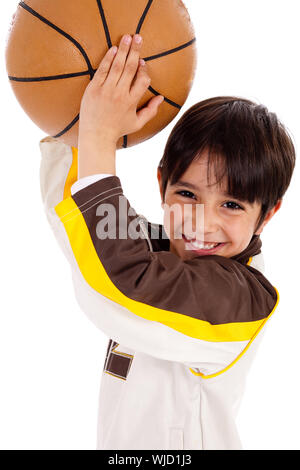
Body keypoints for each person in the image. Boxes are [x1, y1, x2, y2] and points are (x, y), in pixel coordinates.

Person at [39, 33, 296, 449]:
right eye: (188, 194)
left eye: (231, 205)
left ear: (266, 215)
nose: (201, 223)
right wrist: (75, 124)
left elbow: (119, 283)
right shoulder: (162, 252)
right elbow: (81, 228)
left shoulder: (239, 297)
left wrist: (101, 138)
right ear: (163, 184)